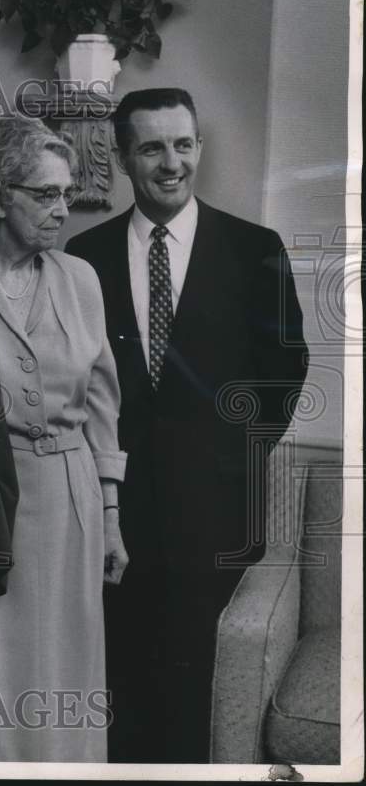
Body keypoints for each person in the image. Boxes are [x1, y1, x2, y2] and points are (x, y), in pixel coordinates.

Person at [66, 87, 308, 762]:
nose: (170, 162)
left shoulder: (254, 248)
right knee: (120, 692)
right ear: (121, 159)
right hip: (114, 518)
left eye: (181, 144)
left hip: (217, 515)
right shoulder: (84, 256)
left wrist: (232, 454)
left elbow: (287, 367)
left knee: (197, 697)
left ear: (198, 147)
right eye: (150, 148)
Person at [0, 117, 129, 762]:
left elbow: (101, 405)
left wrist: (112, 515)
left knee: (63, 667)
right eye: (45, 194)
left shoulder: (81, 279)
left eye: (65, 194)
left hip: (71, 502)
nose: (60, 210)